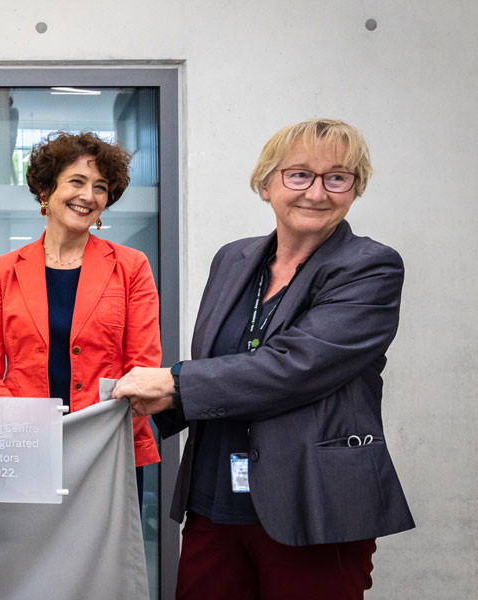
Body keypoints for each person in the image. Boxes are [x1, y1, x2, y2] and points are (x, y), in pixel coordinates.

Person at [113, 118, 415, 599]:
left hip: (314, 502)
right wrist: (165, 399)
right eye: (299, 175)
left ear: (354, 189)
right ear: (266, 183)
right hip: (214, 502)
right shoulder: (232, 259)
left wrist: (174, 383)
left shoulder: (369, 266)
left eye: (337, 177)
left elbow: (297, 366)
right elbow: (223, 360)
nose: (317, 192)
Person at [0, 131, 162, 482]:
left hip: (107, 448)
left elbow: (143, 370)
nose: (88, 196)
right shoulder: (3, 271)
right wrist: (24, 432)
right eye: (77, 181)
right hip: (21, 447)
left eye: (101, 187)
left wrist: (98, 435)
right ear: (46, 190)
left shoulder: (132, 267)